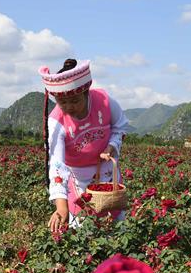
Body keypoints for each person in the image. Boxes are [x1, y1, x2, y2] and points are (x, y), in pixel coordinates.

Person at [40, 59, 130, 234]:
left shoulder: (104, 102)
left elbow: (120, 127)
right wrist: (61, 207)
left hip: (108, 175)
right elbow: (57, 165)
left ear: (86, 92)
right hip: (79, 181)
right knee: (83, 231)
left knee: (115, 227)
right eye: (62, 102)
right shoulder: (56, 121)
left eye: (74, 101)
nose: (69, 107)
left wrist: (111, 146)